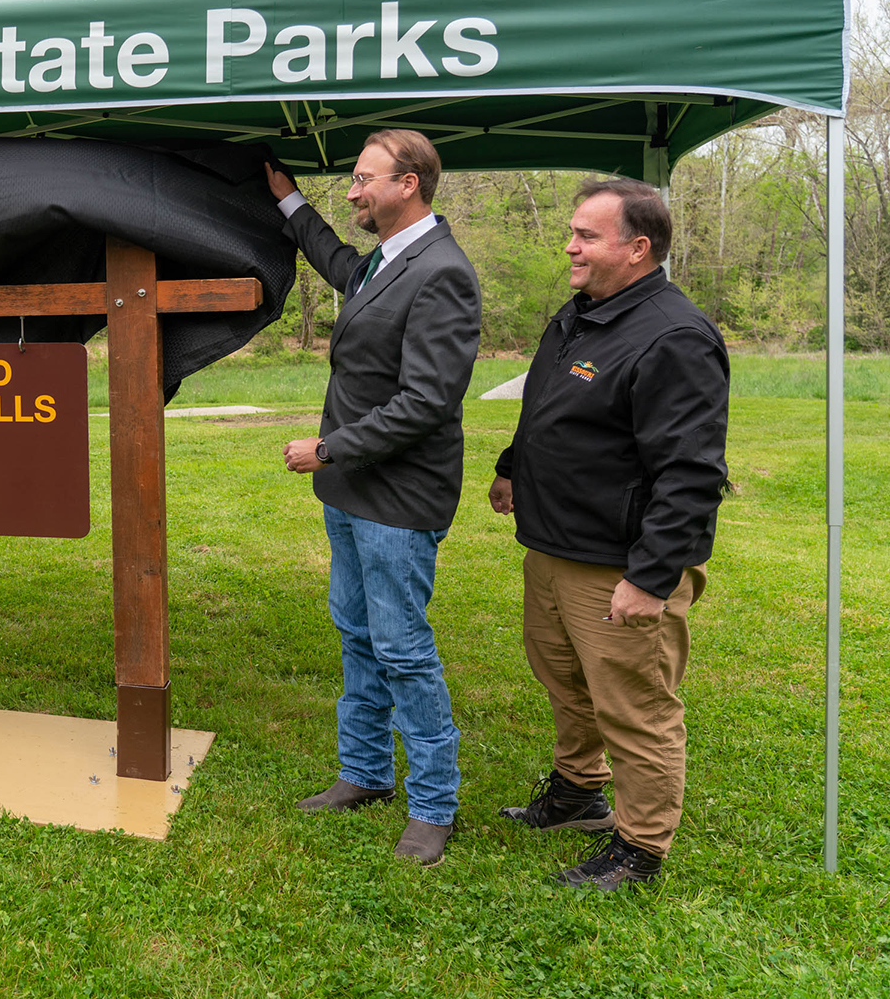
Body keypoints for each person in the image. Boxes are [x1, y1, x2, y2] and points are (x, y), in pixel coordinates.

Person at [489, 179, 728, 891]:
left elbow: (689, 471)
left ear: (638, 247)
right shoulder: (582, 314)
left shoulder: (674, 336)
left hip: (618, 563)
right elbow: (547, 403)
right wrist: (512, 466)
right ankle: (578, 792)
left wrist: (652, 576)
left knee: (634, 705)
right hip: (555, 544)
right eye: (572, 232)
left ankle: (639, 848)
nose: (570, 246)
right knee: (566, 680)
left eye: (587, 236)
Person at [266, 129, 482, 866]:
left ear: (408, 184)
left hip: (397, 499)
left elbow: (426, 400)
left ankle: (434, 805)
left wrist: (327, 447)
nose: (353, 191)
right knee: (356, 634)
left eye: (363, 180)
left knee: (402, 648)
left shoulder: (442, 272)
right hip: (351, 493)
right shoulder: (383, 262)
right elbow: (335, 261)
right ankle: (363, 773)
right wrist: (286, 199)